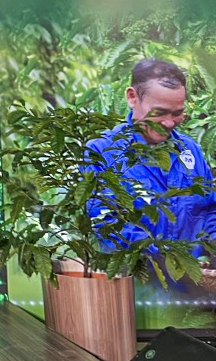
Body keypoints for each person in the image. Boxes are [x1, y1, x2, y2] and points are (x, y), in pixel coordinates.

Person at [84, 59, 216, 257]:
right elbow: (106, 224)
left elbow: (209, 211)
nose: (169, 122)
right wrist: (167, 262)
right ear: (132, 97)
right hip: (137, 284)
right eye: (159, 112)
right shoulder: (102, 152)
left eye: (178, 113)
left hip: (197, 283)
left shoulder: (190, 150)